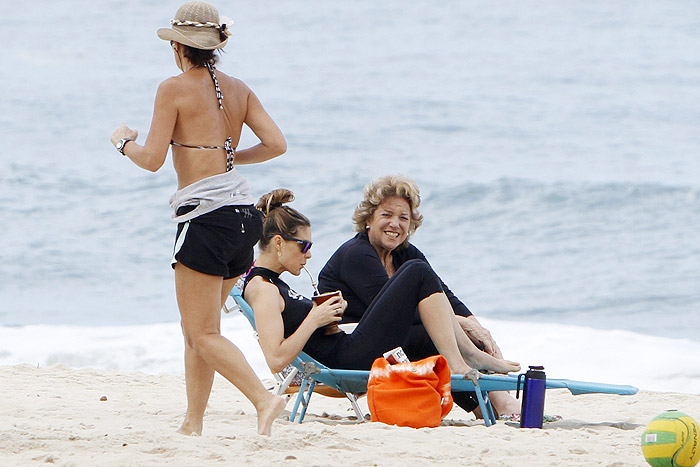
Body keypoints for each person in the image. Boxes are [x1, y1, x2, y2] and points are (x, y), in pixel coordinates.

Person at [109, 1, 287, 436]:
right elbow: (276, 144)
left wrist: (122, 142)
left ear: (177, 45)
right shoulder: (238, 88)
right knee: (200, 330)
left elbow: (151, 160)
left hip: (205, 219)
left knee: (202, 332)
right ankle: (193, 422)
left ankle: (265, 400)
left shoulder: (173, 88)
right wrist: (227, 154)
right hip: (244, 218)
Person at [243, 189, 519, 409]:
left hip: (347, 348)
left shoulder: (275, 284)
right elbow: (276, 359)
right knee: (418, 272)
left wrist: (327, 319)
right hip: (346, 361)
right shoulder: (263, 288)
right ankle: (464, 358)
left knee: (424, 328)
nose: (309, 255)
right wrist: (314, 318)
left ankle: (486, 406)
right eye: (304, 246)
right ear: (278, 243)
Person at [318, 174, 522, 416]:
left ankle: (495, 409)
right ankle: (494, 399)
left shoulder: (405, 254)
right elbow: (404, 312)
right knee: (433, 333)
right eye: (386, 215)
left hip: (391, 348)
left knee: (464, 337)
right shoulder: (356, 254)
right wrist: (463, 326)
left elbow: (444, 296)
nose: (395, 224)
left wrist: (480, 332)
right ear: (368, 219)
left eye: (403, 218)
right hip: (352, 354)